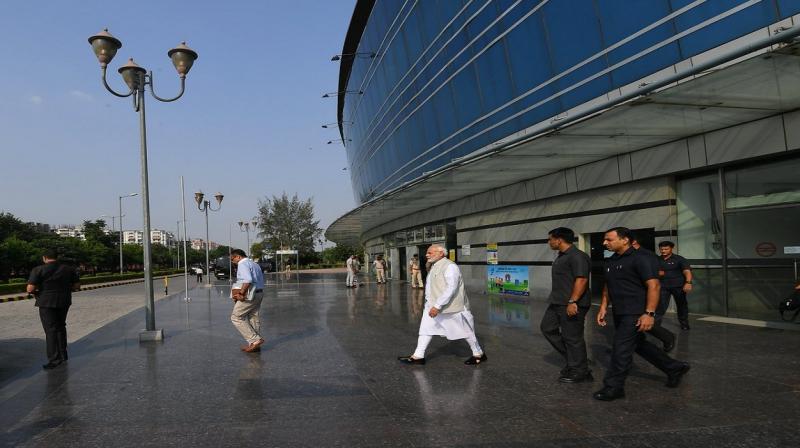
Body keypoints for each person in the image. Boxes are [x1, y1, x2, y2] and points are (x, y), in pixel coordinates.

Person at [594, 227, 690, 401]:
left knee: (620, 348)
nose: (604, 243)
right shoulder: (611, 261)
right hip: (619, 311)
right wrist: (603, 306)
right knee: (639, 344)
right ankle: (673, 367)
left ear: (625, 240)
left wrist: (649, 313)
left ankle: (613, 387)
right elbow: (608, 286)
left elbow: (654, 286)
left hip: (636, 312)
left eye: (609, 239)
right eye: (605, 239)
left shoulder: (641, 259)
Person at [398, 244, 486, 366]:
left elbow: (451, 288)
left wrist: (437, 306)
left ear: (441, 253)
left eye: (430, 252)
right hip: (432, 306)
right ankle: (418, 356)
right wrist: (430, 305)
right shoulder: (434, 266)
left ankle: (479, 354)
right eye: (427, 253)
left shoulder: (450, 266)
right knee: (425, 330)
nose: (427, 255)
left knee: (466, 332)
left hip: (452, 308)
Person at [539, 227, 593, 383]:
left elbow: (581, 280)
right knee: (547, 328)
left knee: (572, 338)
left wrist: (573, 301)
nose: (549, 242)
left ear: (559, 239)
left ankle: (580, 371)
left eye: (550, 239)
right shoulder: (562, 256)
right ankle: (575, 361)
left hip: (572, 303)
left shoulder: (577, 256)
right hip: (557, 302)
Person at [26, 250, 80, 370]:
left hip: (46, 302)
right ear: (57, 257)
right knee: (61, 327)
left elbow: (30, 288)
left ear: (44, 258)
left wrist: (37, 292)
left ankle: (54, 359)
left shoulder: (38, 269)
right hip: (64, 301)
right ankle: (63, 355)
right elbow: (77, 286)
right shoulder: (69, 269)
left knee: (51, 330)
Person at [631, 235, 676, 352]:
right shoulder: (626, 255)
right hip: (631, 292)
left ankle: (667, 337)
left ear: (633, 241)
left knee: (643, 319)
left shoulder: (647, 255)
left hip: (645, 291)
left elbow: (660, 272)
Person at [229, 249, 266, 353]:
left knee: (236, 317)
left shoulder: (242, 264)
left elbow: (247, 280)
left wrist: (241, 293)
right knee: (253, 317)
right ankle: (255, 345)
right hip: (259, 292)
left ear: (238, 257)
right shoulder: (254, 263)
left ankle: (255, 340)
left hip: (249, 294)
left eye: (232, 259)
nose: (232, 261)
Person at [658, 241, 693, 330]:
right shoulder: (656, 259)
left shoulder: (679, 259)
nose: (663, 251)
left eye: (666, 249)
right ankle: (656, 325)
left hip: (678, 286)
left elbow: (687, 271)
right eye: (661, 249)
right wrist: (657, 273)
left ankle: (684, 323)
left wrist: (688, 283)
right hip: (663, 287)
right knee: (660, 306)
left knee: (682, 305)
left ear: (671, 249)